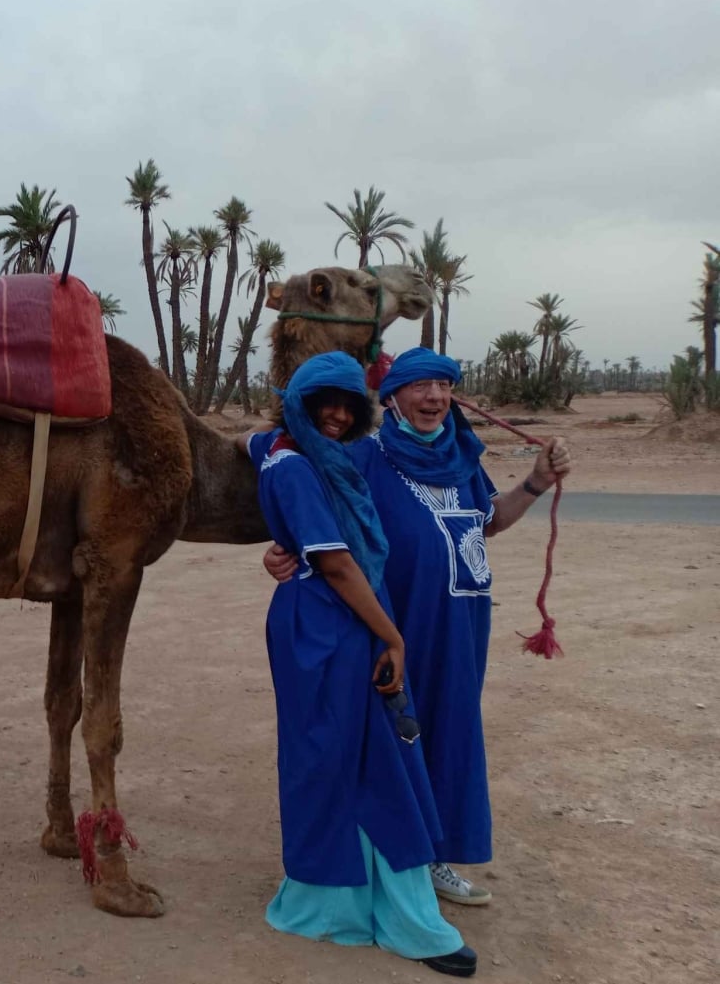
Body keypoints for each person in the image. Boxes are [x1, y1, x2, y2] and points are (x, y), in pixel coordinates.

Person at [263, 347, 573, 907]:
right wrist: (282, 552)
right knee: (401, 732)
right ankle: (400, 861)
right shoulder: (363, 456)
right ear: (392, 397)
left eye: (444, 385)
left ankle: (438, 853)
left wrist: (534, 483)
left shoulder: (461, 458)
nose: (434, 397)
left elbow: (487, 522)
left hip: (462, 621)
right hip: (395, 622)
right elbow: (316, 516)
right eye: (420, 385)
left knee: (452, 727)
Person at [242, 351, 477, 978]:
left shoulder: (290, 450)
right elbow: (339, 562)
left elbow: (251, 439)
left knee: (343, 756)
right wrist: (393, 639)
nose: (340, 415)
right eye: (326, 403)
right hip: (330, 623)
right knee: (368, 755)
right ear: (302, 402)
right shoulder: (295, 467)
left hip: (330, 619)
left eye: (350, 403)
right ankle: (400, 917)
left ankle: (347, 900)